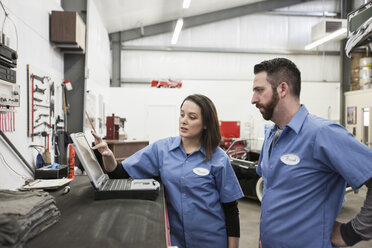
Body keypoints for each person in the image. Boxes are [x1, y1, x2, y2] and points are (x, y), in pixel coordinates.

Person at [92, 94, 244, 248]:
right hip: (175, 240)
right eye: (182, 114)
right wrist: (108, 156)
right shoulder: (162, 149)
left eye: (192, 117)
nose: (183, 121)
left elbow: (231, 209)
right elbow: (121, 174)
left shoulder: (219, 158)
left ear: (205, 124)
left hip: (211, 240)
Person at [251, 58, 372, 248]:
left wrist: (352, 233)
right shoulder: (272, 135)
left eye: (259, 90)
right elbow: (273, 194)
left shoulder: (323, 133)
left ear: (282, 89)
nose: (253, 99)